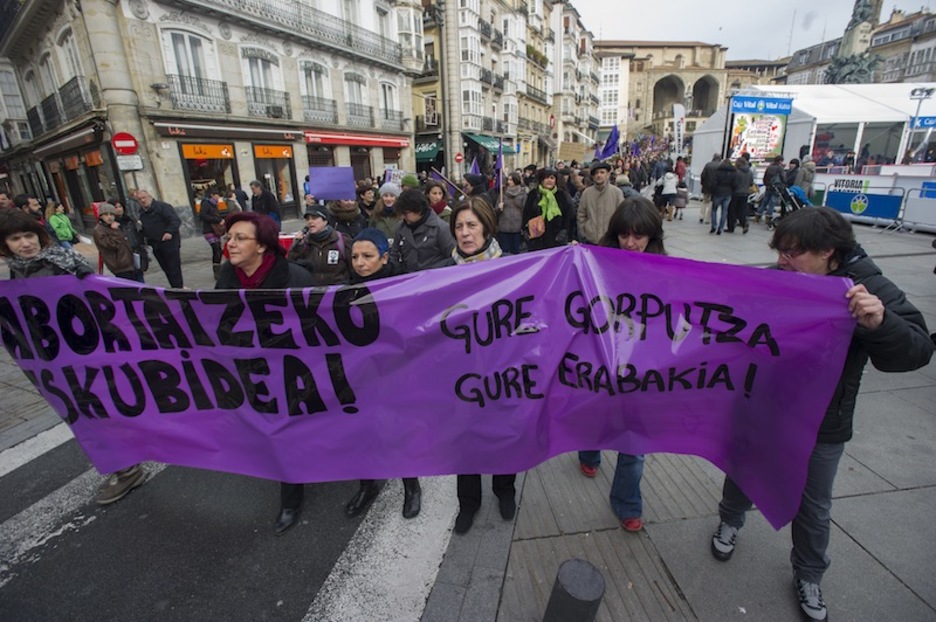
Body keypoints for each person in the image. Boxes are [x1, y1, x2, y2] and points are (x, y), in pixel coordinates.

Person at [710, 207, 934, 622]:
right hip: (760, 407)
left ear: (829, 252)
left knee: (813, 505)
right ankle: (729, 521)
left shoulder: (869, 287)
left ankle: (809, 574)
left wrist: (880, 322)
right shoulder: (780, 277)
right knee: (741, 468)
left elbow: (918, 350)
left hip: (822, 424)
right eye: (778, 251)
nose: (782, 260)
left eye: (792, 253)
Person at [0, 208, 150, 504]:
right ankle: (123, 464)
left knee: (96, 409)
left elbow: (93, 302)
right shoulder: (17, 270)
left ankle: (128, 466)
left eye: (29, 235)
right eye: (15, 238)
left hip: (83, 352)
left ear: (40, 236)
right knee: (83, 412)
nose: (25, 243)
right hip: (52, 358)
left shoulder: (63, 264)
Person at [214, 211, 317, 535]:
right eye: (229, 237)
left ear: (262, 246)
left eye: (240, 238)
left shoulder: (296, 279)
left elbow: (321, 329)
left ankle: (291, 500)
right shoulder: (226, 278)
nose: (230, 244)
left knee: (292, 432)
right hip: (253, 375)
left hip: (294, 371)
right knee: (273, 432)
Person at [579, 197, 667, 531]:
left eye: (639, 236)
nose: (630, 243)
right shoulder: (597, 263)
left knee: (635, 444)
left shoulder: (666, 270)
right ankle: (588, 453)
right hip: (602, 361)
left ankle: (627, 503)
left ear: (652, 237)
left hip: (642, 370)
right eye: (624, 235)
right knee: (594, 417)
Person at [341, 228, 422, 520]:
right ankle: (367, 485)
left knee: (397, 431)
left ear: (384, 258)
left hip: (394, 374)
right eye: (355, 257)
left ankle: (411, 486)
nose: (360, 263)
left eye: (367, 256)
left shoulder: (402, 287)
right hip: (359, 375)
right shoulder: (345, 291)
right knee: (361, 432)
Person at [447, 196, 517, 534]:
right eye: (459, 226)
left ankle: (505, 490)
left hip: (504, 371)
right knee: (466, 440)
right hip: (462, 374)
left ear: (486, 227)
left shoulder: (514, 268)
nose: (464, 233)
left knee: (504, 435)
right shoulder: (443, 275)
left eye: (471, 225)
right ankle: (468, 503)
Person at [388, 189, 455, 273]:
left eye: (406, 213)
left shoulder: (441, 228)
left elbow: (453, 257)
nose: (403, 217)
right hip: (408, 279)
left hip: (434, 279)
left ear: (419, 210)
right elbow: (394, 254)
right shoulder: (401, 227)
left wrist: (432, 271)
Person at [287, 206, 353, 286]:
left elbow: (353, 268)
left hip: (338, 292)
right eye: (308, 219)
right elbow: (292, 266)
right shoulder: (304, 243)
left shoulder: (341, 241)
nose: (310, 222)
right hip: (314, 293)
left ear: (325, 221)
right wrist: (297, 246)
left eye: (314, 218)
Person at [137, 189, 184, 288]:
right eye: (139, 199)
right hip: (155, 244)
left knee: (173, 268)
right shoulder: (142, 212)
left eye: (144, 197)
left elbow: (175, 220)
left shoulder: (162, 207)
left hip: (169, 243)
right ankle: (174, 287)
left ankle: (178, 288)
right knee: (166, 268)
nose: (142, 200)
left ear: (149, 197)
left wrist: (169, 232)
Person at [522, 167, 574, 251]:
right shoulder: (533, 194)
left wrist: (563, 232)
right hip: (536, 239)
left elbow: (568, 216)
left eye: (552, 178)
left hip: (556, 239)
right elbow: (526, 214)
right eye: (546, 178)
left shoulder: (561, 195)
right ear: (541, 180)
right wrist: (526, 231)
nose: (549, 180)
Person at [577, 160, 624, 245]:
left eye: (602, 172)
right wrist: (585, 232)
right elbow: (581, 215)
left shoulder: (617, 192)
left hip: (611, 241)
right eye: (596, 173)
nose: (599, 175)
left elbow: (622, 215)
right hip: (591, 241)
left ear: (608, 175)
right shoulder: (587, 193)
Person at [93, 203, 136, 280]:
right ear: (101, 216)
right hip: (119, 266)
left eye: (111, 214)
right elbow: (111, 245)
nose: (109, 217)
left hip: (128, 263)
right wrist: (115, 231)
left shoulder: (112, 226)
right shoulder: (99, 230)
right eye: (106, 215)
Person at [109, 197, 147, 282]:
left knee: (140, 281)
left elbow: (138, 236)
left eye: (120, 206)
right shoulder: (110, 226)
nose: (119, 209)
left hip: (135, 254)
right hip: (123, 259)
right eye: (116, 207)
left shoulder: (129, 220)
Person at [496, 172, 526, 254]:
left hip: (517, 226)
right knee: (504, 250)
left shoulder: (523, 193)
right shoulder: (502, 193)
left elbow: (525, 210)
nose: (509, 181)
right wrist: (499, 207)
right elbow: (496, 210)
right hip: (504, 226)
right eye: (508, 179)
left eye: (511, 180)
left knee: (515, 250)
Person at [198, 188, 225, 280]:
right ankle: (217, 271)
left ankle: (218, 268)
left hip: (216, 230)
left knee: (219, 250)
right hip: (209, 230)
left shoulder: (215, 205)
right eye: (217, 195)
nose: (218, 197)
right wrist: (218, 220)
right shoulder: (206, 203)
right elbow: (203, 216)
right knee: (216, 248)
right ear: (212, 195)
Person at [756, 156, 785, 226]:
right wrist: (784, 185)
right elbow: (783, 178)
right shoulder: (780, 168)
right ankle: (768, 217)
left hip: (768, 187)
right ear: (780, 161)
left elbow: (765, 177)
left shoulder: (769, 167)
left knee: (764, 202)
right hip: (776, 188)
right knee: (772, 203)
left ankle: (758, 216)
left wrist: (766, 184)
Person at [727, 157, 752, 234]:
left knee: (731, 210)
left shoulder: (736, 172)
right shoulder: (750, 172)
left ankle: (731, 226)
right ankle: (744, 223)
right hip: (745, 193)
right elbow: (751, 183)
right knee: (741, 210)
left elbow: (734, 183)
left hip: (736, 193)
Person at [710, 158, 735, 236]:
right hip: (728, 193)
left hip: (718, 192)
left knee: (714, 210)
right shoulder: (733, 172)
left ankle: (714, 225)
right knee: (724, 211)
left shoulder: (718, 171)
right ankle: (720, 228)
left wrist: (713, 191)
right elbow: (735, 184)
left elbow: (713, 183)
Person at [700, 153, 721, 225]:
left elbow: (703, 175)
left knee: (704, 201)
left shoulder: (708, 165)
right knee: (711, 203)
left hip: (706, 186)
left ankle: (701, 216)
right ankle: (707, 218)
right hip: (715, 187)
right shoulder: (720, 166)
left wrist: (703, 183)